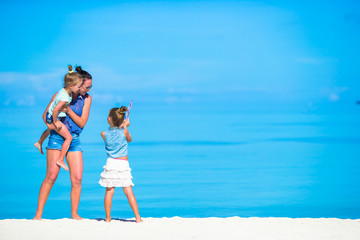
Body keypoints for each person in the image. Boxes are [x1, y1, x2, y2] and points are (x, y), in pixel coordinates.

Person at [33, 65, 93, 220]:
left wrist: (68, 111)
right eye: (85, 87)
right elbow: (45, 114)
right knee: (51, 176)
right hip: (57, 137)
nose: (87, 90)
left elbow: (81, 123)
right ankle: (38, 215)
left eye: (89, 87)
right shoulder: (61, 94)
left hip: (74, 139)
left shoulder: (87, 99)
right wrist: (52, 126)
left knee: (77, 178)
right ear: (77, 84)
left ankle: (74, 214)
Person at [99, 106, 142, 223]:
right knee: (128, 191)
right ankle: (138, 218)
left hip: (111, 163)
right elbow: (129, 139)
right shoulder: (125, 131)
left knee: (109, 190)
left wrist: (122, 126)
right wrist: (125, 127)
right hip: (123, 164)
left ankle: (108, 218)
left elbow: (112, 137)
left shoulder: (103, 134)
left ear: (109, 119)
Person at [34, 66, 83, 171]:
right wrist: (56, 122)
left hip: (49, 116)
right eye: (78, 87)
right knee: (68, 138)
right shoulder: (65, 97)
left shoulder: (62, 91)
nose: (79, 89)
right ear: (71, 85)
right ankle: (60, 159)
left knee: (49, 129)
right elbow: (56, 110)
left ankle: (39, 142)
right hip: (53, 117)